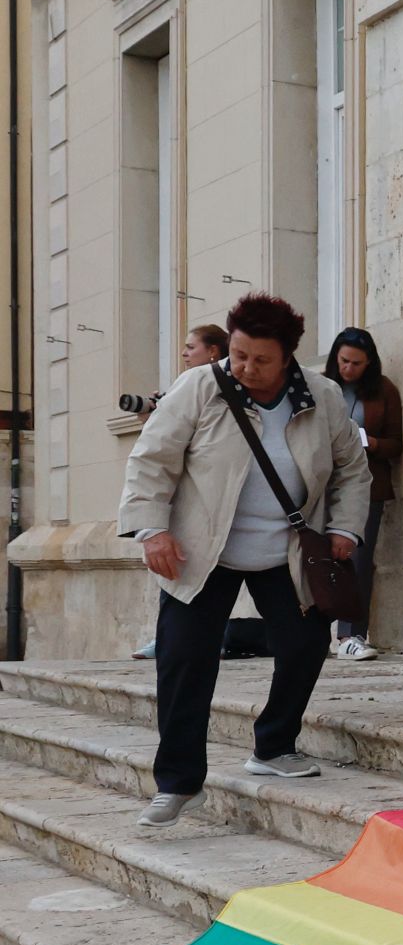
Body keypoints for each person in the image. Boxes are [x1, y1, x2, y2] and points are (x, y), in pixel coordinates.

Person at [120, 293, 370, 828]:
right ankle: (178, 783)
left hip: (285, 552)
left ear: (288, 358)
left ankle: (274, 746)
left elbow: (352, 467)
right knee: (185, 661)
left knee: (304, 646)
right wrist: (152, 529)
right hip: (202, 550)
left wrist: (345, 528)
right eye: (237, 355)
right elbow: (152, 458)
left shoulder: (322, 397)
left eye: (260, 359)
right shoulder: (199, 387)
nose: (245, 368)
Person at [130, 323, 230, 660]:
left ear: (214, 350)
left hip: (207, 512)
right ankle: (169, 640)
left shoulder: (208, 386)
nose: (184, 354)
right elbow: (162, 450)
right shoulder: (185, 386)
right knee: (175, 582)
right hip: (175, 511)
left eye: (191, 347)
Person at [322, 327, 402, 661]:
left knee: (358, 560)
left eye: (356, 363)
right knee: (313, 557)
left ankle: (351, 634)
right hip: (321, 482)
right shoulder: (322, 387)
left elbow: (397, 445)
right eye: (343, 361)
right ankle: (309, 631)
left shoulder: (383, 390)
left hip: (367, 483)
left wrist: (369, 442)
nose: (348, 369)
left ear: (369, 363)